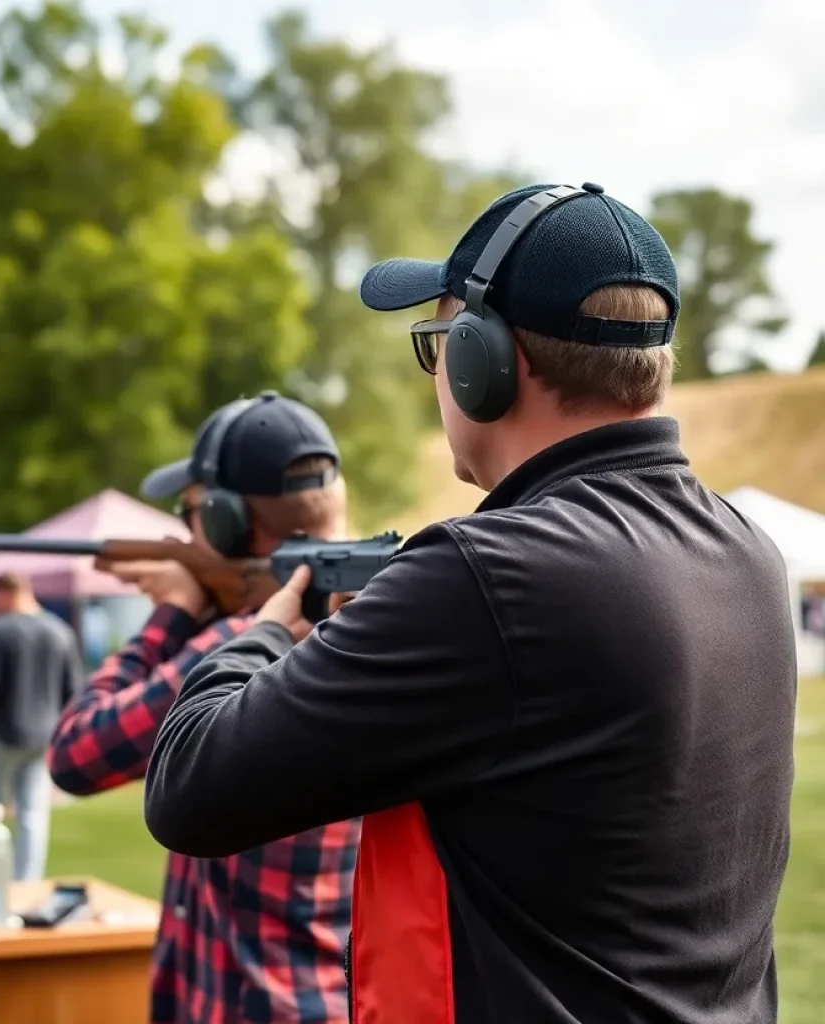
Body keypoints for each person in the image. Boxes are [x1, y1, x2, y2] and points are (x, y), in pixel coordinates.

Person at [143, 184, 798, 1023]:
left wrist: (263, 631)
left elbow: (189, 787)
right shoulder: (749, 554)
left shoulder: (482, 574)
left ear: (480, 358)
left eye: (437, 341)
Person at [48, 392, 360, 1024]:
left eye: (190, 512)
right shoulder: (372, 625)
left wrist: (171, 613)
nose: (184, 530)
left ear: (224, 522)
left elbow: (75, 754)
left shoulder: (238, 649)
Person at [0, 572, 84, 881]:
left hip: (3, 731)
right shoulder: (60, 630)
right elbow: (73, 689)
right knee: (33, 812)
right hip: (45, 734)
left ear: (3, 593)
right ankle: (26, 880)